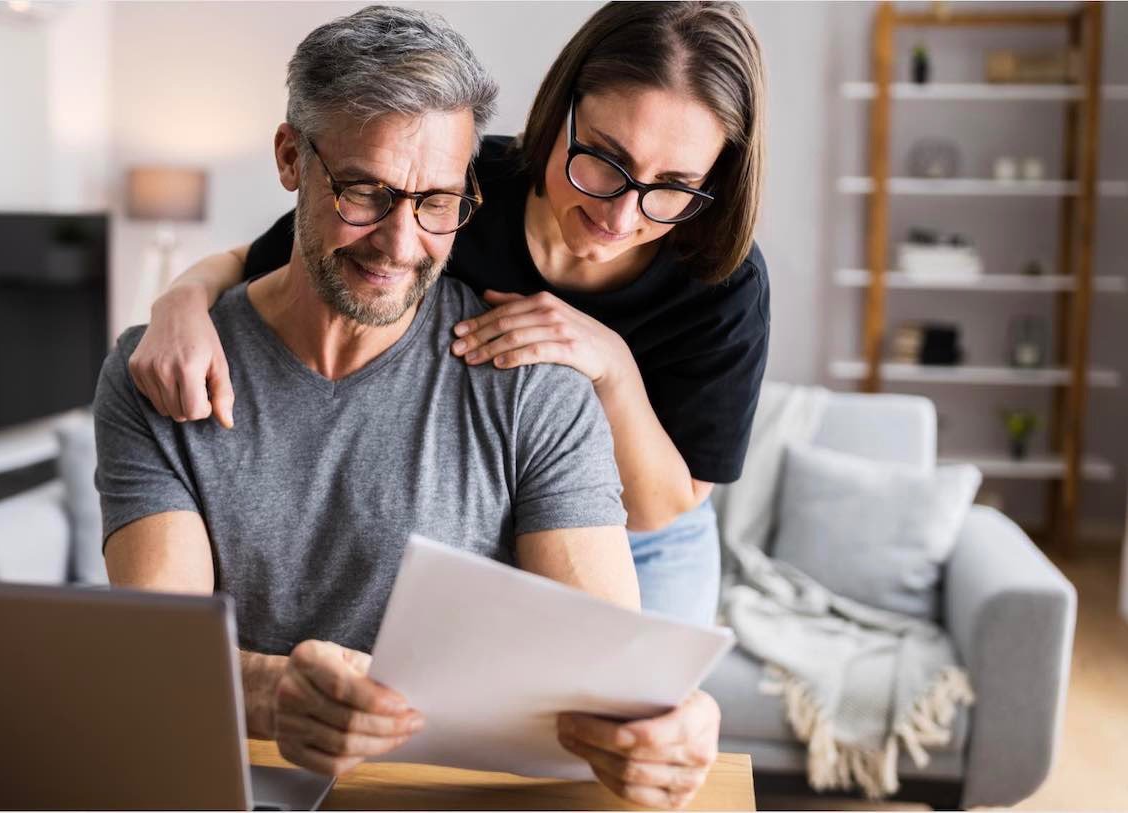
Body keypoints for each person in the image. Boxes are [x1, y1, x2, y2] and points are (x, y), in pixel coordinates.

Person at [98, 6, 718, 809]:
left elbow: (608, 675)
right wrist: (269, 691)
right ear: (291, 159)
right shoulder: (164, 372)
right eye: (366, 191)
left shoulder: (534, 382)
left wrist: (681, 720)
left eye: (437, 202)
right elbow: (155, 654)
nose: (399, 243)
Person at [129, 1, 769, 631]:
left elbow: (664, 506)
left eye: (673, 187)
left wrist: (612, 367)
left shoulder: (721, 276)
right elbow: (263, 259)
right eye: (606, 159)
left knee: (638, 712)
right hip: (504, 503)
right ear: (560, 111)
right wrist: (178, 303)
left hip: (644, 536)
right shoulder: (450, 180)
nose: (622, 216)